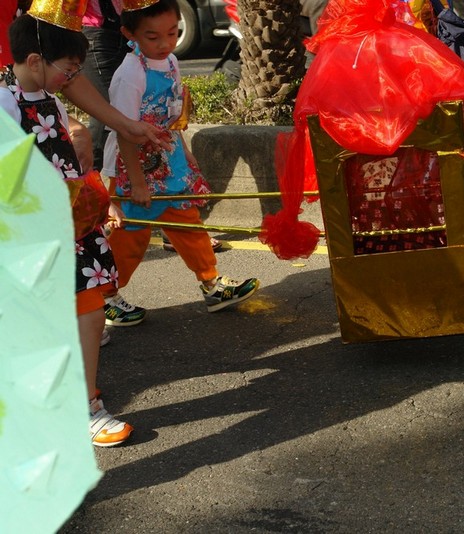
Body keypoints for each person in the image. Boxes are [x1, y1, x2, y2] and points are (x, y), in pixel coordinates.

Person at [2, 12, 132, 446]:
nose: (72, 78)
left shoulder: (52, 103)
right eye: (69, 69)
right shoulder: (4, 105)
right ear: (34, 60)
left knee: (90, 314)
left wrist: (101, 199)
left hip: (70, 231)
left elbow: (71, 168)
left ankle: (85, 405)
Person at [104, 0, 260, 314]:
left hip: (169, 163)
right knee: (129, 239)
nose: (165, 43)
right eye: (153, 37)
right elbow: (124, 132)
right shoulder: (130, 75)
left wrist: (185, 153)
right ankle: (104, 297)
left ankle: (211, 284)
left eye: (173, 33)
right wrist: (137, 183)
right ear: (129, 34)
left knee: (189, 225)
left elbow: (173, 114)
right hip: (134, 168)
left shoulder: (171, 61)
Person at [82, 0, 129, 172]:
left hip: (125, 32)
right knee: (107, 111)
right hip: (94, 34)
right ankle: (88, 175)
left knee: (121, 108)